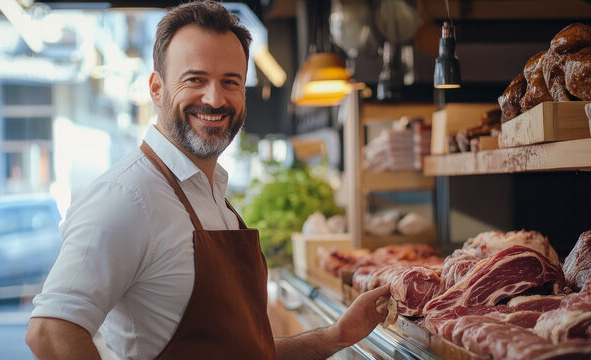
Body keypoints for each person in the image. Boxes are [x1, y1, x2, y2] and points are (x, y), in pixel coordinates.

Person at [25, 1, 392, 359]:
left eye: (230, 82)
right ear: (156, 89)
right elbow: (51, 332)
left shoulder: (212, 195)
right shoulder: (127, 195)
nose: (215, 99)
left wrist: (334, 337)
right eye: (195, 80)